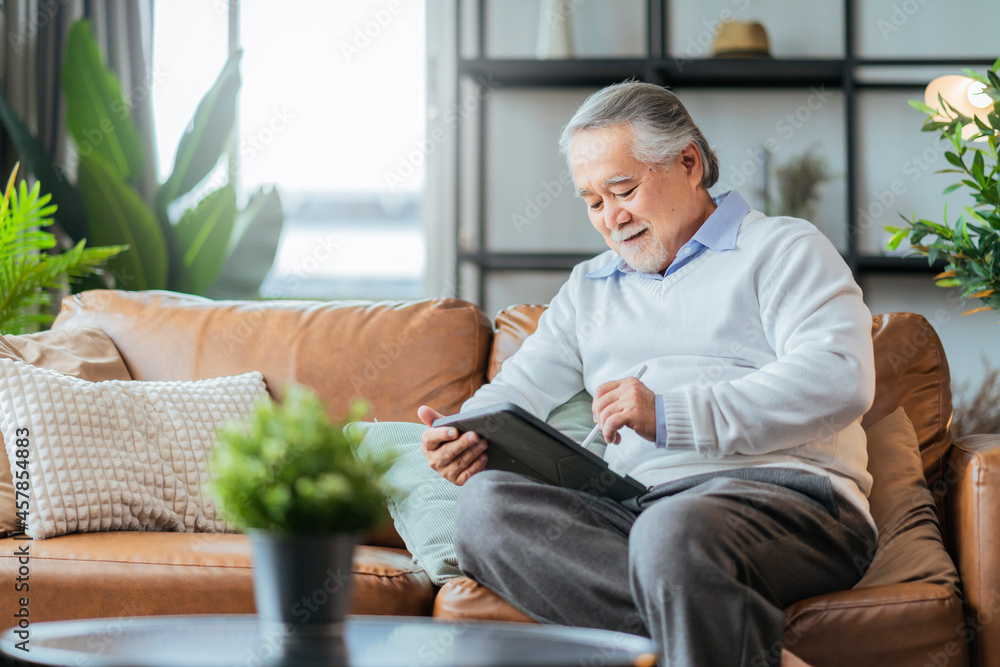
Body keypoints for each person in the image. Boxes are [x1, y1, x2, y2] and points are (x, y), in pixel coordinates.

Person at [416, 81, 877, 667]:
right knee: (486, 511)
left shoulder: (783, 248)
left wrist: (669, 413)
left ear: (689, 162)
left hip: (791, 500)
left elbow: (838, 377)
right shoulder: (589, 287)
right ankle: (745, 651)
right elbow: (521, 386)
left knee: (672, 535)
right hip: (638, 509)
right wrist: (469, 429)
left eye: (623, 189)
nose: (612, 218)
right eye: (592, 202)